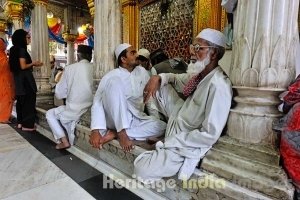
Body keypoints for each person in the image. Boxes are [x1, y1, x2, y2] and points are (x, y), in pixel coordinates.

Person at [134, 28, 233, 182]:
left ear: (213, 53)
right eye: (193, 47)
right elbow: (174, 78)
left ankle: (164, 142)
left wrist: (169, 142)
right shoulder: (199, 76)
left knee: (141, 169)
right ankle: (164, 134)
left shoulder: (219, 85)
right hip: (177, 119)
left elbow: (209, 134)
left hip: (185, 139)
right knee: (161, 85)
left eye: (198, 48)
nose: (192, 53)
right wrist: (157, 77)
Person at [89, 43, 167, 152]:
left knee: (162, 126)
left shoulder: (142, 72)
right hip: (114, 118)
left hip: (135, 117)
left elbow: (149, 97)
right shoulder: (111, 76)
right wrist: (95, 131)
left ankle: (115, 133)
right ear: (123, 59)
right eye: (133, 53)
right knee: (115, 82)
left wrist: (154, 117)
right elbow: (97, 102)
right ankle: (121, 133)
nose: (137, 55)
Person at [46, 45, 94, 149]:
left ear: (78, 56)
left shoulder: (69, 68)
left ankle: (64, 141)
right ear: (90, 56)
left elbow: (59, 93)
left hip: (74, 111)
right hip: (92, 109)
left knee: (50, 114)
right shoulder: (95, 68)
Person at [9, 29, 43, 131]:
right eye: (27, 37)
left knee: (20, 101)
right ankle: (27, 126)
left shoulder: (13, 49)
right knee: (29, 101)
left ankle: (20, 123)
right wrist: (34, 63)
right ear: (22, 39)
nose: (29, 39)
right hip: (25, 79)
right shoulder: (22, 50)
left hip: (18, 79)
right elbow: (23, 66)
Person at [0, 38, 15, 123]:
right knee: (6, 98)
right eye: (3, 44)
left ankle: (6, 115)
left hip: (6, 79)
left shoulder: (3, 55)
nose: (5, 45)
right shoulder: (2, 56)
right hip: (3, 81)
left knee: (7, 98)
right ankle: (3, 117)